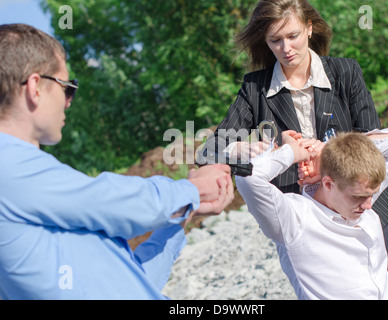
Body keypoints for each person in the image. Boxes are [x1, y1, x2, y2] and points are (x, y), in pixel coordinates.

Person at [200, 0, 388, 299]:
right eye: (275, 40)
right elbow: (209, 151)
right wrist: (242, 148)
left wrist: (329, 151)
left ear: (309, 28)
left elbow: (369, 141)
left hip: (359, 203)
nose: (286, 48)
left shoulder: (345, 72)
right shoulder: (254, 88)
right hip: (306, 223)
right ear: (265, 42)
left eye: (293, 35)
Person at [0, 24, 234, 300]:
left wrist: (183, 216)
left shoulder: (32, 192)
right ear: (35, 87)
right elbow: (109, 200)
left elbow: (131, 283)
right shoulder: (9, 167)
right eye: (67, 87)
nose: (69, 102)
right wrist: (193, 190)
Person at [236, 126, 388, 299]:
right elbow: (247, 177)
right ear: (328, 184)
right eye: (359, 197)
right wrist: (291, 152)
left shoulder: (357, 193)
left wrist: (328, 152)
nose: (368, 206)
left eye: (371, 196)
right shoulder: (293, 219)